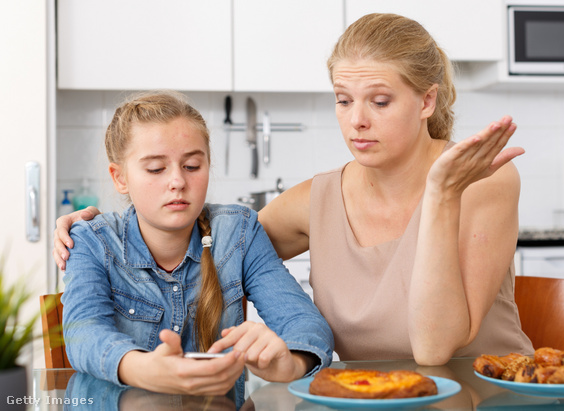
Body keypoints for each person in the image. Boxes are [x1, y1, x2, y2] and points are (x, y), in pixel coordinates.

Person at [54, 13, 533, 366]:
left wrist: (442, 195)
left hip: (486, 397)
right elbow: (212, 241)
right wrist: (107, 228)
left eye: (380, 101)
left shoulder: (483, 180)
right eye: (343, 100)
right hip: (362, 398)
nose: (357, 120)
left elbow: (433, 349)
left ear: (427, 99)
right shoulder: (317, 201)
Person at [58, 90, 333, 405]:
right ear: (120, 178)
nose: (177, 181)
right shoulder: (92, 242)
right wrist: (142, 368)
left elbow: (306, 325)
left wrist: (292, 362)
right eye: (156, 169)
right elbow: (83, 336)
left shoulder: (239, 232)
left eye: (191, 165)